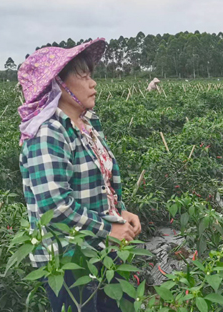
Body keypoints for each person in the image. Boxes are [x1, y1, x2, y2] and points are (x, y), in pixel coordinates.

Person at [18, 39, 142, 311]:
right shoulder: (48, 132)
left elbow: (101, 185)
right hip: (70, 260)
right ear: (57, 85)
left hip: (102, 249)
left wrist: (121, 212)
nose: (92, 83)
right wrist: (109, 228)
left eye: (90, 75)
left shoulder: (87, 125)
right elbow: (55, 206)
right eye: (82, 76)